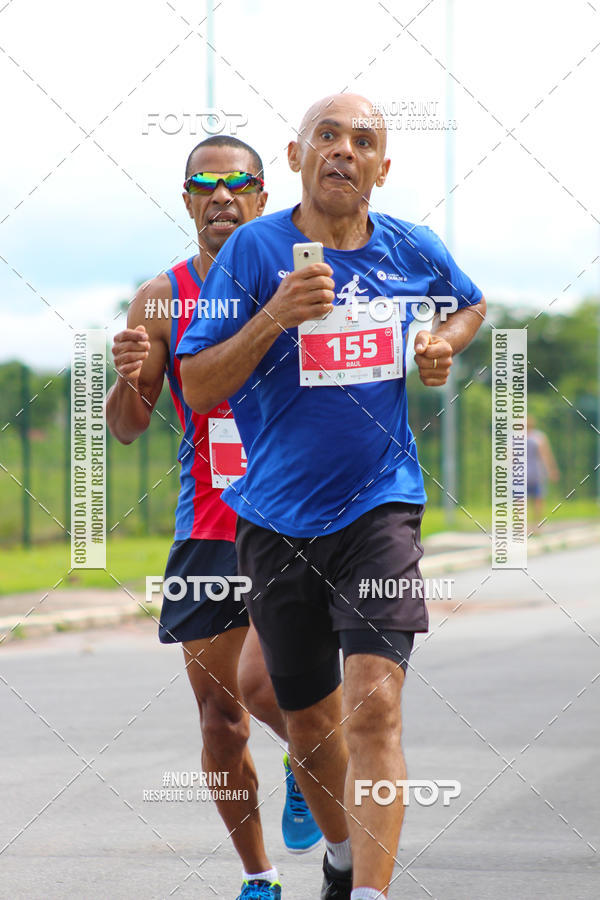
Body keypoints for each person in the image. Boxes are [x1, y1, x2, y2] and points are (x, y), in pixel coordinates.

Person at [177, 95, 486, 900]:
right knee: (310, 726)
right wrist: (275, 316)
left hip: (380, 508)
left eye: (363, 141)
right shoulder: (252, 251)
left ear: (384, 167)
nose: (343, 150)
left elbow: (471, 303)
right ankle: (345, 855)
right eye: (328, 136)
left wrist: (440, 341)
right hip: (274, 520)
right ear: (296, 155)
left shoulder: (411, 248)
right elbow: (197, 379)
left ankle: (374, 895)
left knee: (375, 709)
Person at [106, 135, 320, 900]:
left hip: (293, 515)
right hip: (209, 524)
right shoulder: (161, 296)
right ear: (188, 197)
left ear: (264, 195)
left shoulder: (298, 274)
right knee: (220, 719)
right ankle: (259, 877)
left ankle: (309, 757)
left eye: (240, 183)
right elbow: (129, 424)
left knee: (269, 689)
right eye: (207, 183)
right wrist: (131, 376)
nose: (223, 194)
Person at [527, 415, 559, 521]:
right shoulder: (539, 437)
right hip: (534, 473)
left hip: (527, 473)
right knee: (537, 499)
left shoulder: (515, 437)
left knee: (524, 499)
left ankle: (525, 526)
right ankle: (535, 524)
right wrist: (552, 470)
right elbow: (546, 455)